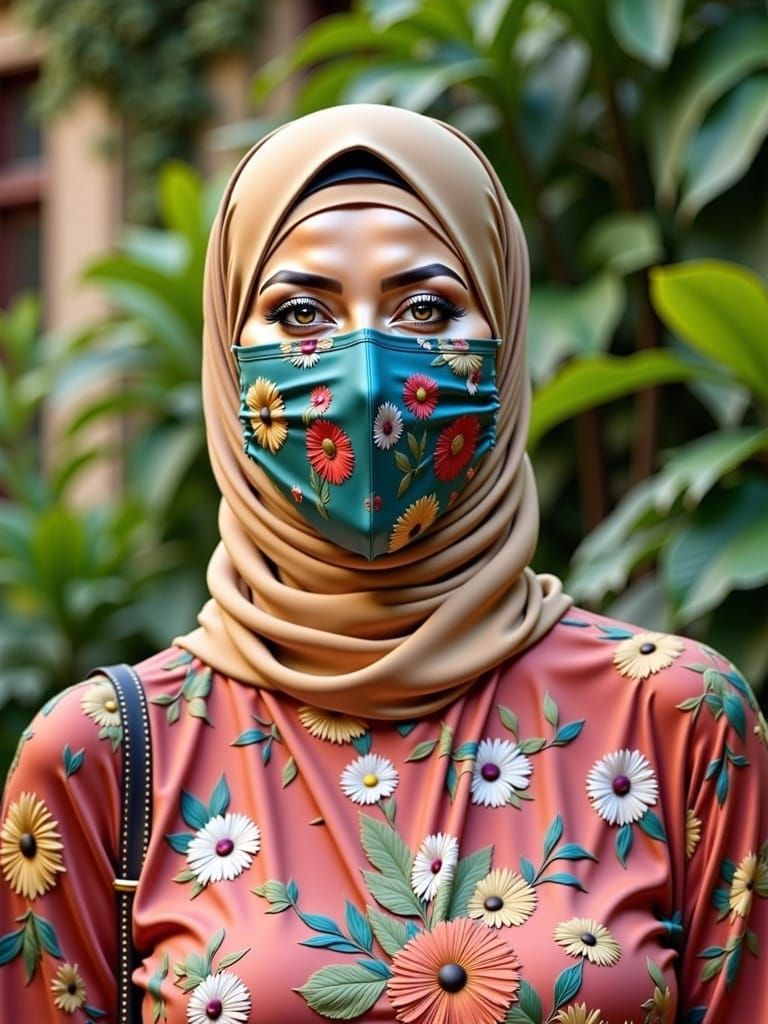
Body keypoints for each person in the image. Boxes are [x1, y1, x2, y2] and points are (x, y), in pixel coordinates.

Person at [1, 104, 766, 1024]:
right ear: (225, 360)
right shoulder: (104, 759)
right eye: (299, 312)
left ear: (508, 333)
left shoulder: (676, 721)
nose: (366, 372)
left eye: (426, 308)